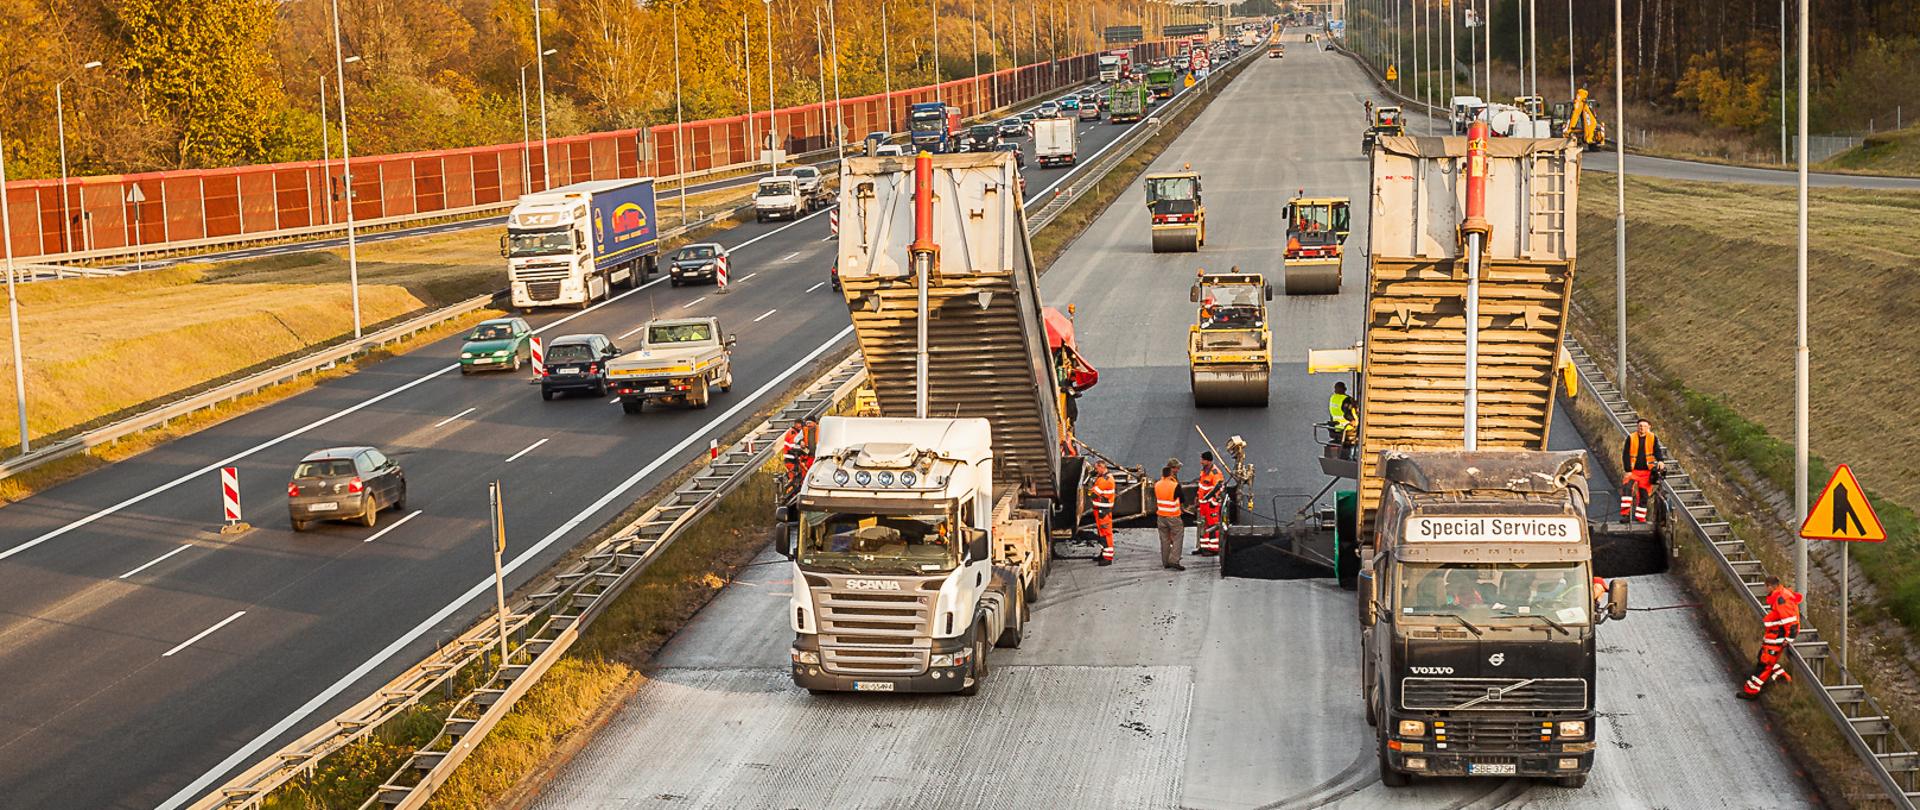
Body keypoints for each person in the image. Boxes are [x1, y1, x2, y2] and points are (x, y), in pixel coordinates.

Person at [1740, 576, 1802, 700]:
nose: (1765, 589)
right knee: (1763, 660)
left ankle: (1751, 691)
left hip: (1777, 639)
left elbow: (1791, 621)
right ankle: (1782, 677)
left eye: (1766, 587)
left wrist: (1789, 638)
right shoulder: (1781, 596)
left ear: (1769, 586)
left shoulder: (1781, 599)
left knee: (1764, 665)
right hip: (1773, 638)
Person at [1620, 418, 1665, 523]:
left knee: (1644, 495)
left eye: (1644, 426)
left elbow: (1657, 450)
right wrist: (1628, 470)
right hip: (1633, 471)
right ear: (1637, 427)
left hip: (1646, 472)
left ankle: (1640, 517)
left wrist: (1660, 461)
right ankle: (1625, 515)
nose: (1642, 428)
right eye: (1640, 426)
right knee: (1627, 490)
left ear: (1649, 427)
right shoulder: (1631, 438)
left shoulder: (1653, 438)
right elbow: (1625, 454)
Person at [780, 417, 820, 503]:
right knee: (799, 477)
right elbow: (794, 443)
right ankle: (791, 496)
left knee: (807, 475)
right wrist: (801, 443)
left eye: (809, 423)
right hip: (793, 460)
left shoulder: (819, 430)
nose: (807, 425)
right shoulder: (795, 432)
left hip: (812, 457)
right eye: (807, 423)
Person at [1154, 462, 1186, 571]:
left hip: (1161, 516)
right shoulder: (1174, 485)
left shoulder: (1157, 484)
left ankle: (1165, 561)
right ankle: (1174, 560)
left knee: (1164, 539)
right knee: (1177, 537)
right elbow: (1182, 499)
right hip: (1173, 516)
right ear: (1170, 474)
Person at [1195, 452, 1226, 556]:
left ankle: (1213, 549)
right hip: (1204, 504)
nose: (1200, 462)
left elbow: (1219, 489)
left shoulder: (1215, 473)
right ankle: (1204, 547)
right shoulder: (1204, 471)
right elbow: (1202, 486)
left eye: (1202, 460)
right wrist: (1197, 498)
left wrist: (1213, 502)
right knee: (1204, 526)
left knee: (1212, 525)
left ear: (1208, 461)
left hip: (1211, 505)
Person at [1088, 461, 1118, 567]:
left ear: (1101, 467)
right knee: (1102, 533)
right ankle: (1103, 553)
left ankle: (1107, 557)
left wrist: (1089, 484)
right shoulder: (1103, 477)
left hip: (1103, 511)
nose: (1095, 471)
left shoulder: (1105, 480)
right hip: (1100, 509)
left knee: (1106, 533)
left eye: (1096, 469)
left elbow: (1092, 494)